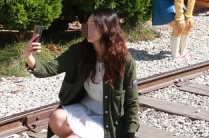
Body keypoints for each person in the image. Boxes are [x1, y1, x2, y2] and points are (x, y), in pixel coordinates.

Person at [23, 8, 139, 138]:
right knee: (56, 118)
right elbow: (47, 69)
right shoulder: (78, 51)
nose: (87, 27)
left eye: (94, 24)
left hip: (108, 120)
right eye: (87, 23)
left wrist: (130, 133)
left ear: (108, 27)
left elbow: (132, 100)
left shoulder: (124, 60)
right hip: (85, 108)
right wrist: (28, 56)